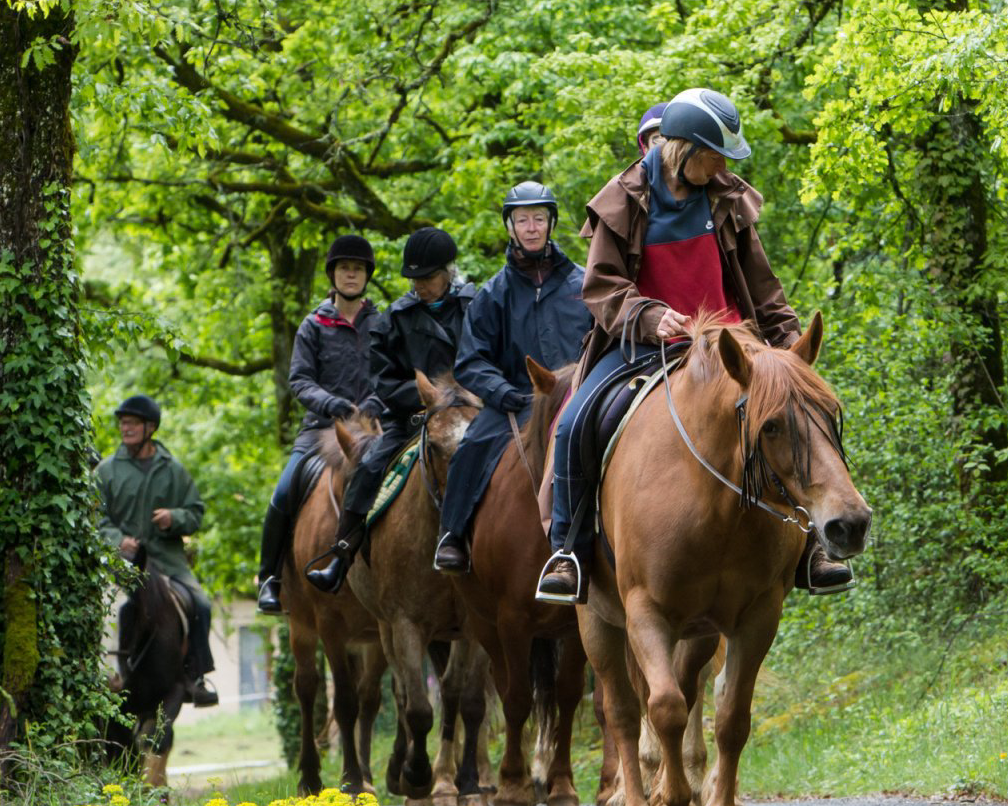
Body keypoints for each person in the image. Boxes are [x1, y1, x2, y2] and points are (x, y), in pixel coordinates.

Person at [537, 87, 853, 602]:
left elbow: (763, 285)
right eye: (714, 157)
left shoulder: (726, 197)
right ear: (682, 149)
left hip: (733, 347)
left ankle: (815, 542)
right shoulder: (621, 199)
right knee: (573, 423)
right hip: (645, 346)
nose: (720, 167)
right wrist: (648, 314)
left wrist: (790, 348)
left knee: (806, 408)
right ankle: (567, 550)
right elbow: (601, 287)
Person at [306, 225, 478, 593]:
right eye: (413, 279)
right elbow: (382, 379)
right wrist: (421, 397)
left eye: (427, 278)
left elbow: (489, 359)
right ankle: (342, 552)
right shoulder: (395, 318)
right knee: (368, 467)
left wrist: (460, 397)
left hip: (468, 413)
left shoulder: (476, 308)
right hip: (410, 417)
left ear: (447, 273)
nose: (419, 286)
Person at [433, 182, 593, 572]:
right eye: (523, 220)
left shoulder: (584, 285)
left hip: (577, 398)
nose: (532, 227)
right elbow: (471, 361)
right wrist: (503, 393)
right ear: (510, 227)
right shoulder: (491, 295)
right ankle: (452, 534)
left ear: (551, 223)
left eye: (539, 218)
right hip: (515, 402)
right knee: (473, 445)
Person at [256, 234, 380, 612]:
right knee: (284, 489)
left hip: (375, 428)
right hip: (321, 429)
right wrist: (335, 405)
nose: (351, 275)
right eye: (345, 268)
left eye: (357, 269)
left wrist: (372, 405)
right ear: (333, 274)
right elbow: (299, 381)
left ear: (366, 276)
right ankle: (269, 577)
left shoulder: (383, 323)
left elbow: (393, 373)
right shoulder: (313, 325)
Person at [97, 394, 218, 706]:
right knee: (104, 608)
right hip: (121, 562)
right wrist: (116, 539)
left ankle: (196, 677)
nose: (126, 428)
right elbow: (94, 517)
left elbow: (196, 512)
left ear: (150, 427)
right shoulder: (106, 471)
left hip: (167, 560)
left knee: (201, 604)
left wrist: (173, 518)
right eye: (123, 423)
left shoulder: (174, 470)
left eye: (133, 423)